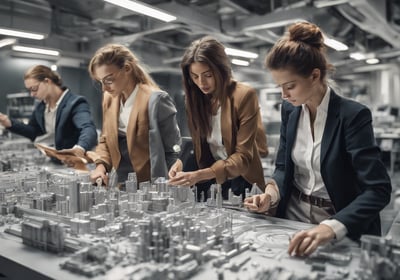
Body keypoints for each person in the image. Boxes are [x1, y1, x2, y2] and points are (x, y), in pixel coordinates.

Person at [244, 22, 392, 257]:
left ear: (314, 76)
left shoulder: (352, 115)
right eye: (280, 87)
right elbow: (283, 167)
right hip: (292, 218)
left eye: (290, 86)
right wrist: (270, 196)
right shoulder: (290, 110)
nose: (283, 95)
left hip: (336, 222)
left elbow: (378, 189)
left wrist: (331, 227)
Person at [168, 36, 268, 200]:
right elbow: (199, 143)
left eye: (208, 75)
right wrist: (182, 162)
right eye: (194, 76)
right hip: (211, 180)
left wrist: (200, 175)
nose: (201, 83)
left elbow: (242, 157)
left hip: (243, 179)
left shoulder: (244, 95)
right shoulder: (194, 99)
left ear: (220, 70)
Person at [87, 44, 181, 186]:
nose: (104, 88)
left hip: (150, 185)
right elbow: (105, 140)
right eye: (100, 82)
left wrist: (165, 186)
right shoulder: (109, 98)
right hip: (119, 182)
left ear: (127, 68)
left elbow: (173, 151)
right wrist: (100, 167)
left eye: (108, 80)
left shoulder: (156, 100)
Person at [0, 65, 98, 165]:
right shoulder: (41, 107)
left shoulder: (75, 103)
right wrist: (9, 123)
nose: (32, 94)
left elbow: (87, 128)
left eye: (34, 88)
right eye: (29, 90)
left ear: (47, 81)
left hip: (78, 163)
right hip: (57, 161)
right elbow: (33, 132)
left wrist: (79, 148)